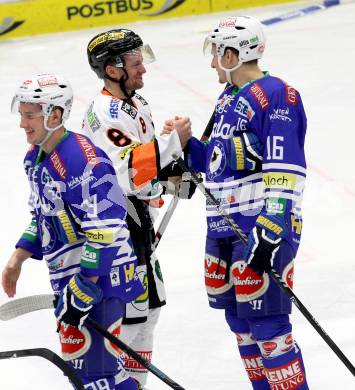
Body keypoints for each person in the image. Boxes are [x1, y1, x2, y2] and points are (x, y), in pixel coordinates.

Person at [181, 15, 309, 389]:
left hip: (258, 225)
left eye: (217, 54)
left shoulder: (275, 93)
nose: (212, 63)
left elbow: (286, 165)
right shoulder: (227, 99)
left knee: (268, 327)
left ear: (234, 54)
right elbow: (218, 162)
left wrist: (274, 223)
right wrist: (187, 146)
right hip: (223, 227)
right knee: (240, 324)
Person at [1, 73, 146, 390]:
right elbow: (43, 214)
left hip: (103, 280)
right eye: (22, 114)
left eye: (30, 116)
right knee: (94, 373)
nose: (23, 124)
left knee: (96, 376)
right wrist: (18, 258)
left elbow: (106, 226)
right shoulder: (35, 158)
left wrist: (85, 285)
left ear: (54, 115)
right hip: (77, 281)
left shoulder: (83, 159)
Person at [82, 29, 193, 389]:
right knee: (127, 322)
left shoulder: (136, 105)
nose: (143, 68)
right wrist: (172, 143)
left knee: (148, 315)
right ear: (112, 70)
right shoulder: (106, 111)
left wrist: (171, 176)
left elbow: (146, 172)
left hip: (139, 226)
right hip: (119, 231)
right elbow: (127, 171)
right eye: (135, 63)